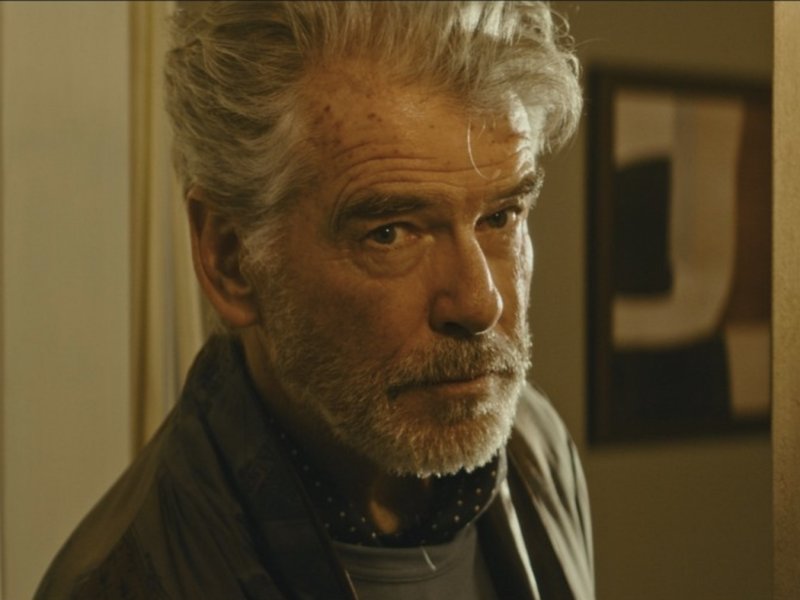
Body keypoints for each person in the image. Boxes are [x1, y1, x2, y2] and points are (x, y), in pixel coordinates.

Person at [36, 2, 592, 598]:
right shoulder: (127, 583)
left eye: (500, 217)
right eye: (390, 232)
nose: (481, 304)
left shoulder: (534, 445)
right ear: (231, 259)